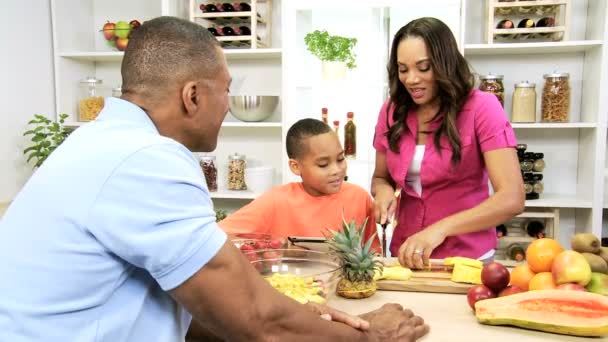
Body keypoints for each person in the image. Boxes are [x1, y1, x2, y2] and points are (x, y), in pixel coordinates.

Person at [0, 17, 429, 341]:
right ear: (192, 96)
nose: (227, 105)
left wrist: (307, 319)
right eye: (225, 89)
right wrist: (368, 334)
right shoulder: (148, 158)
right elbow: (256, 320)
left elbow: (206, 303)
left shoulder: (99, 141)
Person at [371, 17, 525, 270]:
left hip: (467, 258)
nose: (411, 79)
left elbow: (512, 198)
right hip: (405, 254)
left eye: (423, 67)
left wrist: (439, 230)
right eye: (403, 69)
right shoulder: (391, 111)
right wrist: (385, 191)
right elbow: (380, 178)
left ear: (445, 64)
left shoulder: (482, 108)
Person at [219, 118, 381, 252]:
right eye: (323, 165)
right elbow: (217, 236)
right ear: (295, 166)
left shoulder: (359, 197)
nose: (336, 170)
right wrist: (274, 248)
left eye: (340, 159)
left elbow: (373, 254)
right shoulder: (276, 201)